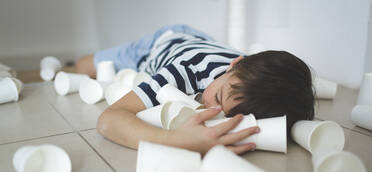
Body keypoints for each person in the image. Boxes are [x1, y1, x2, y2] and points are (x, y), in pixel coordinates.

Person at [76, 24, 315, 155]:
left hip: (202, 41)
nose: (214, 112)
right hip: (162, 43)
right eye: (218, 97)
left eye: (231, 118)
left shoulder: (243, 78)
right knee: (83, 66)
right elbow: (109, 119)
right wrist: (174, 141)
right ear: (234, 65)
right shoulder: (186, 70)